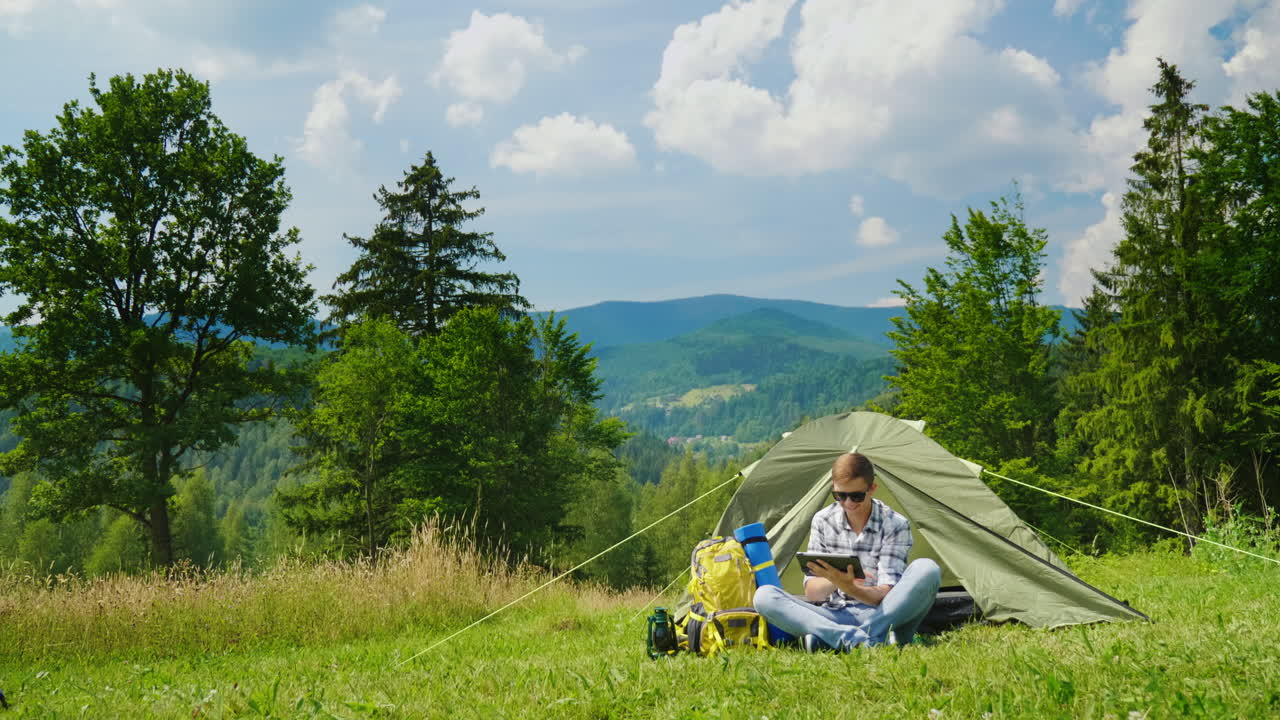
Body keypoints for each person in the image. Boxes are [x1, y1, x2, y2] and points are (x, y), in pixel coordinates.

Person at [753, 452, 941, 651]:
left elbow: (885, 596)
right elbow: (813, 593)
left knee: (927, 569)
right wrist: (835, 580)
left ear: (872, 489)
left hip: (882, 613)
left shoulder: (894, 524)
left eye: (856, 496)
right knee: (764, 596)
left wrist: (850, 587)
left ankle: (838, 639)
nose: (848, 503)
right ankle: (864, 640)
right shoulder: (823, 520)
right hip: (833, 613)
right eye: (840, 496)